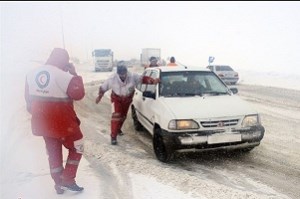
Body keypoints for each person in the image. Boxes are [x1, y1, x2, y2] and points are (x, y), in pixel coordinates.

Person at [25, 48, 85, 194]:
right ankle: (68, 180)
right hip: (64, 124)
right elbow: (78, 94)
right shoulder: (65, 76)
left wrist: (42, 115)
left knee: (53, 152)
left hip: (43, 124)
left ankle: (59, 184)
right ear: (65, 60)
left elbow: (28, 102)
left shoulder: (31, 74)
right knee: (78, 146)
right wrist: (74, 74)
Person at [95, 61, 159, 145]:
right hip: (116, 99)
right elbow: (103, 88)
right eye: (121, 74)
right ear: (118, 73)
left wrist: (152, 81)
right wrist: (99, 97)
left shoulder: (132, 76)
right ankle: (113, 136)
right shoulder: (112, 78)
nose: (123, 76)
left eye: (124, 73)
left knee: (123, 116)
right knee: (116, 116)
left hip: (127, 99)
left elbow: (142, 79)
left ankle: (118, 129)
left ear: (126, 71)